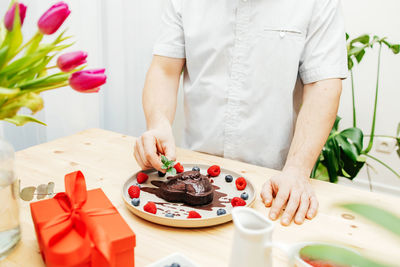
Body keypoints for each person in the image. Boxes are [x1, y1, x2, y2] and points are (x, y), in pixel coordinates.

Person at [134, 0, 347, 226]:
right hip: (194, 170)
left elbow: (323, 86)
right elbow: (164, 69)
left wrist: (297, 169)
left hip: (274, 181)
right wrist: (158, 124)